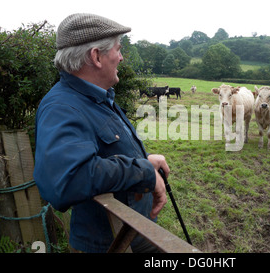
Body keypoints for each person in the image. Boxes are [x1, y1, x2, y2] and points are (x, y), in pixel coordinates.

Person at [33, 13, 169, 253]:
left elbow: (104, 154)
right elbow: (67, 180)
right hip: (110, 245)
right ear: (96, 56)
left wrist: (142, 161)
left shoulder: (94, 97)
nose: (121, 56)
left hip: (133, 231)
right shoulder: (62, 107)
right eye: (118, 49)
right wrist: (143, 171)